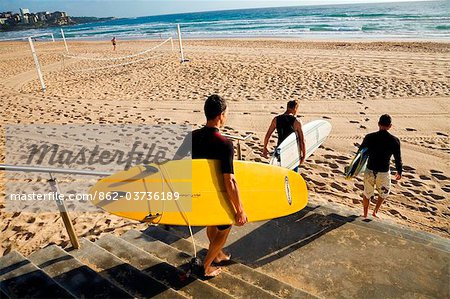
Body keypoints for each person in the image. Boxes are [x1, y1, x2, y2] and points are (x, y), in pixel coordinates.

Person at [175, 94, 248, 277]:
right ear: (221, 115)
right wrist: (239, 209)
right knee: (224, 227)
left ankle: (218, 255)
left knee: (211, 223)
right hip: (217, 195)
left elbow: (175, 162)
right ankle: (206, 266)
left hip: (198, 194)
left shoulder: (192, 136)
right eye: (226, 114)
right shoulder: (225, 144)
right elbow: (229, 180)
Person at [359, 114, 402, 219]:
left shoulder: (369, 137)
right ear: (390, 126)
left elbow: (360, 153)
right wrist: (399, 171)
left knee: (367, 193)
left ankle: (365, 214)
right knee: (383, 193)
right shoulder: (394, 141)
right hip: (383, 172)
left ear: (378, 124)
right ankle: (375, 212)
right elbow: (397, 158)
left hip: (370, 169)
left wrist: (355, 169)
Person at [262, 100, 306, 170]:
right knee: (292, 175)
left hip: (279, 150)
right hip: (291, 152)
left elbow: (268, 135)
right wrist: (303, 156)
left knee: (280, 173)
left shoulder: (276, 119)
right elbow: (302, 141)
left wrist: (265, 147)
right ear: (295, 108)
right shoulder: (297, 121)